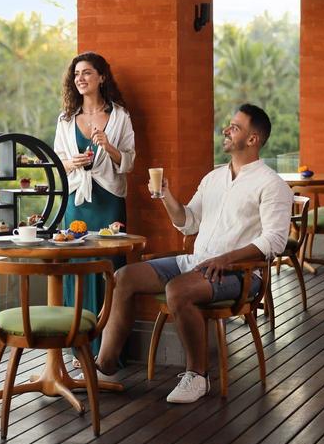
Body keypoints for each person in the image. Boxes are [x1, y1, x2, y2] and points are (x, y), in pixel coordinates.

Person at [95, 103, 292, 403]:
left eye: (235, 127)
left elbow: (275, 241)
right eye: (229, 124)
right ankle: (104, 366)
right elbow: (188, 223)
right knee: (124, 277)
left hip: (241, 274)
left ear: (252, 139)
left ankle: (197, 376)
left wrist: (227, 259)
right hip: (196, 263)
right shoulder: (213, 178)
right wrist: (165, 195)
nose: (226, 130)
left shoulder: (271, 184)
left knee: (178, 290)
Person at [53, 51, 135, 359]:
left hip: (109, 200)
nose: (80, 78)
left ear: (102, 77)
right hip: (76, 202)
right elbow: (56, 165)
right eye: (76, 74)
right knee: (77, 269)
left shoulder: (120, 116)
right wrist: (71, 163)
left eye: (87, 72)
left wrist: (108, 146)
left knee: (109, 269)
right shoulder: (65, 120)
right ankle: (78, 349)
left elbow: (128, 163)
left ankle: (109, 352)